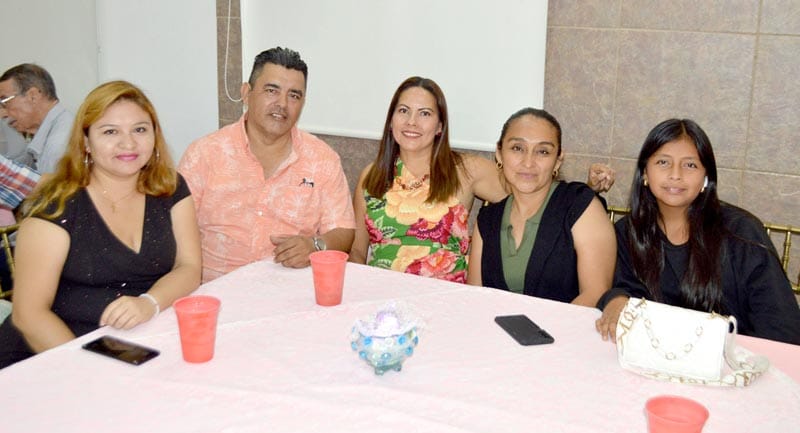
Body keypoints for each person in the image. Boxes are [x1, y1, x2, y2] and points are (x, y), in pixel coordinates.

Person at [0, 80, 202, 368]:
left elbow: (189, 267)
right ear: (86, 142)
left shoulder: (169, 187)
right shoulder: (56, 207)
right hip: (52, 353)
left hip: (135, 342)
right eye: (110, 132)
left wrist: (149, 302)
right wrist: (89, 370)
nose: (128, 143)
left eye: (140, 130)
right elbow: (29, 316)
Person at [351, 77, 615, 283]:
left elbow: (532, 188)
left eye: (425, 113)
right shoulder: (371, 176)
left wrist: (587, 189)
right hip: (382, 300)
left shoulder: (466, 169)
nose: (412, 122)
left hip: (445, 301)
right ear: (391, 120)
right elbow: (358, 252)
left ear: (440, 126)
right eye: (403, 111)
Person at [595, 118, 800, 345]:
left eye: (690, 165)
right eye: (663, 162)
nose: (675, 174)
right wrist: (616, 298)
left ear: (706, 177)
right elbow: (623, 287)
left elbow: (781, 326)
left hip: (736, 358)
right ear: (645, 172)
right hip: (656, 356)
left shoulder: (742, 233)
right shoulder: (628, 232)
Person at [179, 47, 355, 282]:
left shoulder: (322, 160)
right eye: (272, 91)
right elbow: (173, 231)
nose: (282, 104)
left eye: (294, 96)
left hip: (290, 292)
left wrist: (315, 245)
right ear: (246, 93)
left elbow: (343, 230)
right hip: (215, 290)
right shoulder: (204, 155)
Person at [467, 108, 616, 306]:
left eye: (543, 151)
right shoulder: (487, 221)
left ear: (558, 160)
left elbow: (596, 294)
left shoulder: (580, 206)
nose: (528, 162)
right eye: (517, 148)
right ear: (499, 154)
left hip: (568, 325)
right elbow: (476, 299)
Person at [0, 64, 74, 174]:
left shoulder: (58, 146)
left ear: (33, 96)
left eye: (5, 102)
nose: (3, 114)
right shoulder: (61, 125)